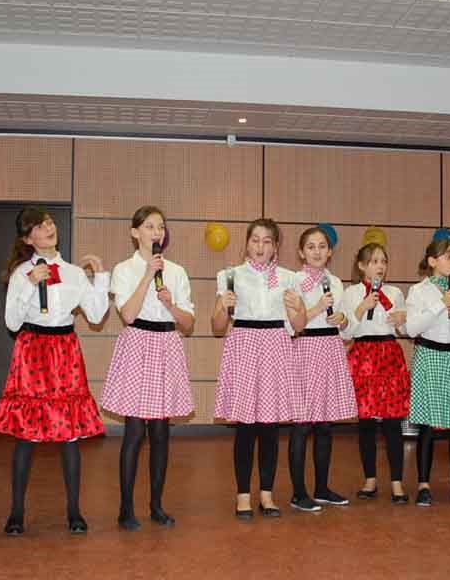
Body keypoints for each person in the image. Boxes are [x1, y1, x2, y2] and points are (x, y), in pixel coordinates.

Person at [0, 207, 109, 535]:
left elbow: (96, 315)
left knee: (70, 436)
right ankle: (16, 512)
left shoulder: (73, 273)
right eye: (39, 225)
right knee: (26, 436)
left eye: (49, 222)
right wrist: (30, 284)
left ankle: (74, 511)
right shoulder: (21, 274)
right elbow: (11, 322)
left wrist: (100, 278)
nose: (48, 227)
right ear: (28, 239)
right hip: (32, 350)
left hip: (64, 352)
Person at [100, 206, 195, 531]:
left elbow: (188, 322)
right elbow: (127, 314)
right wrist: (146, 276)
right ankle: (126, 508)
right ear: (135, 232)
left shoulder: (177, 271)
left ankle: (156, 505)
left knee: (160, 433)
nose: (157, 232)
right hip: (137, 343)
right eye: (150, 226)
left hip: (167, 344)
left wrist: (171, 305)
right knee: (134, 431)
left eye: (161, 227)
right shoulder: (124, 269)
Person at [212, 218, 307, 520]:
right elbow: (217, 327)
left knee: (269, 427)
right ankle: (242, 495)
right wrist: (221, 306)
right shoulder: (230, 276)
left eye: (267, 241)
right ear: (247, 243)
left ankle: (267, 493)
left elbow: (299, 326)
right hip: (244, 346)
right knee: (245, 427)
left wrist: (297, 308)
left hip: (276, 347)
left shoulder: (290, 278)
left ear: (276, 246)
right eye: (255, 240)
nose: (260, 246)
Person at [404, 237, 450, 507]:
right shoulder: (419, 291)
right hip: (430, 356)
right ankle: (423, 485)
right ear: (432, 261)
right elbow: (411, 329)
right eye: (448, 256)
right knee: (427, 423)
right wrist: (440, 305)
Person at [287, 227, 358, 512]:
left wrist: (343, 320)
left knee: (325, 425)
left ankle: (321, 488)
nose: (317, 251)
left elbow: (349, 327)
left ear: (330, 252)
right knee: (302, 424)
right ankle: (298, 492)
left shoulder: (336, 282)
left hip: (331, 348)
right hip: (306, 349)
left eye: (322, 246)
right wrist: (317, 307)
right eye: (311, 246)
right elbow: (293, 324)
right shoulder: (294, 281)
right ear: (301, 252)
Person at [340, 242, 411, 504]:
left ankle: (397, 482)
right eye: (373, 261)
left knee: (393, 422)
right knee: (366, 422)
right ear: (361, 266)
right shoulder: (351, 293)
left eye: (383, 261)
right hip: (363, 356)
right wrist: (362, 306)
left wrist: (403, 319)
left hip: (389, 354)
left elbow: (405, 331)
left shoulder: (395, 292)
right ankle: (369, 479)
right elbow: (346, 332)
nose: (380, 266)